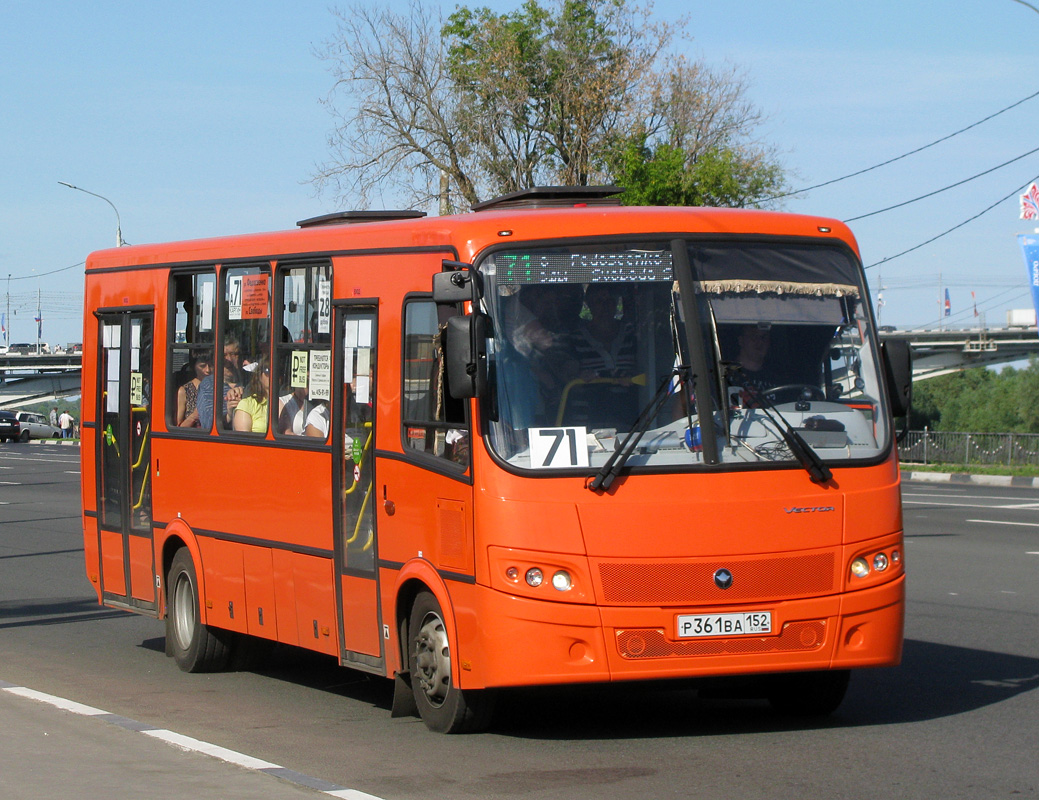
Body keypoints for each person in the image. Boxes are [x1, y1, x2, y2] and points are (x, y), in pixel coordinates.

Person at [233, 356, 270, 433]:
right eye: (268, 371)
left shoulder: (286, 402)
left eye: (277, 371)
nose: (273, 375)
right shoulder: (247, 404)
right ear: (260, 375)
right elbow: (245, 440)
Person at [176, 351, 212, 427]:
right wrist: (194, 416)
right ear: (194, 366)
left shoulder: (219, 387)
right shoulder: (184, 391)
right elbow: (178, 427)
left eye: (211, 365)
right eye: (202, 366)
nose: (208, 370)